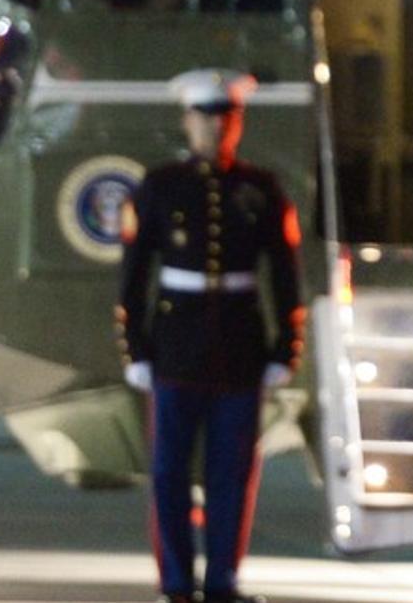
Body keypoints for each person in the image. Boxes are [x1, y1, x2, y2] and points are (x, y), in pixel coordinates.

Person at [115, 68, 305, 603]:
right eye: (204, 119)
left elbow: (285, 273)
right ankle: (175, 583)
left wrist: (285, 346)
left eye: (225, 119)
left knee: (233, 475)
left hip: (241, 346)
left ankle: (222, 581)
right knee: (169, 475)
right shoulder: (160, 186)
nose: (214, 129)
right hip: (175, 346)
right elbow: (133, 273)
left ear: (236, 123)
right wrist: (135, 347)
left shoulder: (260, 189)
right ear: (187, 122)